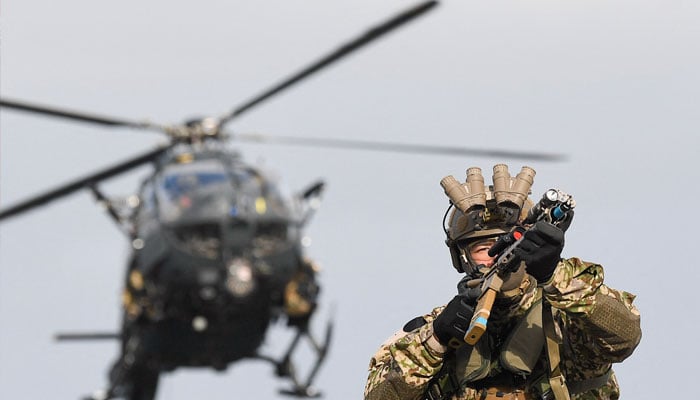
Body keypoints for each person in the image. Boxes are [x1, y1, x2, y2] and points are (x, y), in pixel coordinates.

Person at [364, 164, 641, 400]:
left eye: (503, 244)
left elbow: (624, 335)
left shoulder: (563, 318)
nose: (495, 256)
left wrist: (554, 275)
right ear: (463, 258)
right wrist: (435, 339)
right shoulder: (434, 329)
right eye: (482, 248)